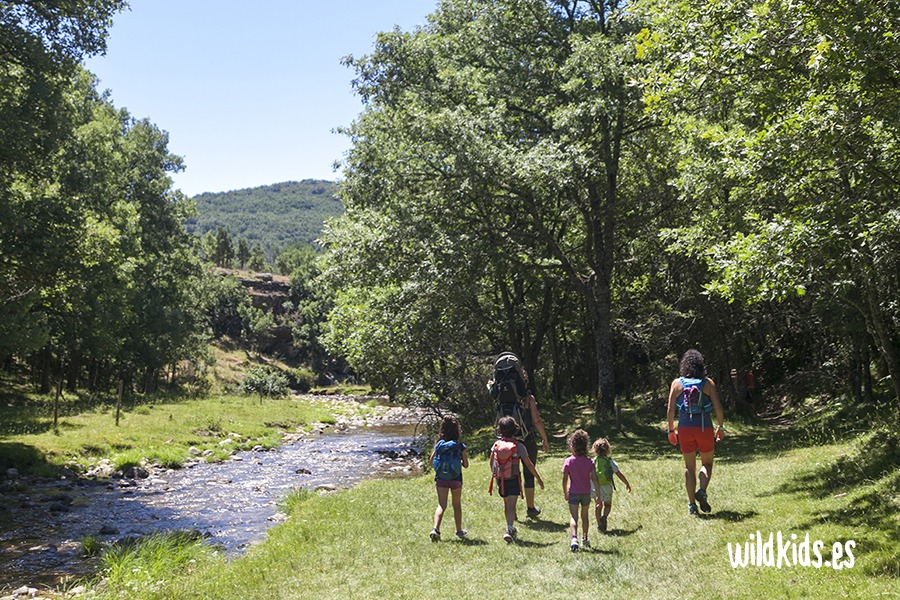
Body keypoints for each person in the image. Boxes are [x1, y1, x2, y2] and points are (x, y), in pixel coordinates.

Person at [667, 349, 725, 515]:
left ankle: (692, 505)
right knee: (707, 464)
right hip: (704, 427)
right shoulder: (707, 383)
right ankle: (702, 491)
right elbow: (718, 408)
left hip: (684, 428)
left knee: (689, 467)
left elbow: (671, 409)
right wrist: (720, 427)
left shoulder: (677, 384)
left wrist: (671, 430)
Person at [490, 416, 544, 543]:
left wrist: (495, 473)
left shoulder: (496, 445)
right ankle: (509, 529)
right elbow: (529, 464)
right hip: (513, 479)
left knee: (506, 503)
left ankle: (510, 526)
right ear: (515, 430)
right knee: (511, 505)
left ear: (500, 430)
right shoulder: (519, 446)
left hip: (501, 479)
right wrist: (538, 478)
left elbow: (491, 461)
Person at [428, 415, 469, 541]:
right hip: (456, 478)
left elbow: (431, 462)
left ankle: (435, 529)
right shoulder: (459, 445)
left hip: (441, 479)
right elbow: (466, 465)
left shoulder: (439, 445)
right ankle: (459, 530)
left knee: (441, 505)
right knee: (456, 505)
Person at [519, 369, 550, 518]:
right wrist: (544, 438)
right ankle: (530, 508)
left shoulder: (504, 398)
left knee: (510, 475)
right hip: (527, 440)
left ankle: (511, 511)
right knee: (528, 473)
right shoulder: (529, 399)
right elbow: (536, 421)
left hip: (507, 441)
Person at [562, 429, 600, 552]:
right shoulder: (590, 462)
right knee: (585, 516)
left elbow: (564, 479)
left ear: (572, 446)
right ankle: (585, 537)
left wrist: (565, 492)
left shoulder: (568, 461)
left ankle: (574, 538)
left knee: (574, 516)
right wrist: (598, 495)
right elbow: (595, 479)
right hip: (586, 493)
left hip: (573, 492)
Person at [592, 437, 631, 533]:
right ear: (608, 449)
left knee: (598, 506)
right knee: (607, 505)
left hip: (595, 487)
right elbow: (618, 473)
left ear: (595, 450)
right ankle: (604, 517)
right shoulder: (609, 461)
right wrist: (626, 483)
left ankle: (599, 525)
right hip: (607, 486)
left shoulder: (593, 461)